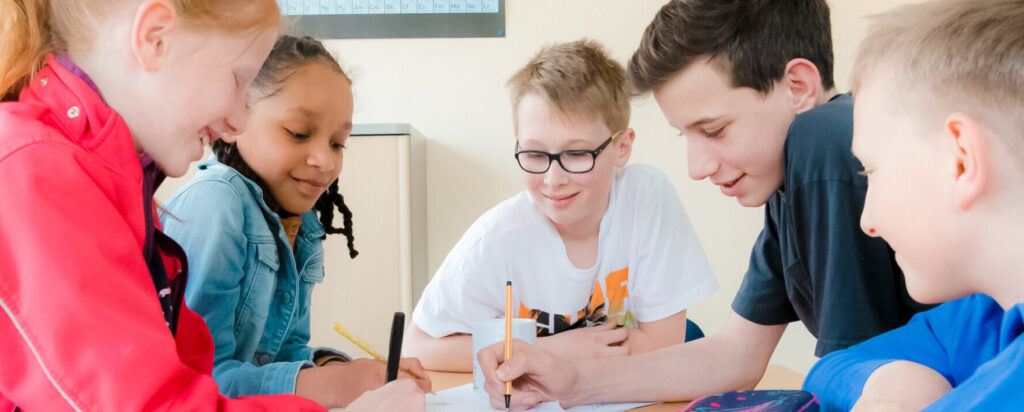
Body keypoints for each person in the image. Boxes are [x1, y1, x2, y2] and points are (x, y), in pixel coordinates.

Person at [478, 0, 930, 408]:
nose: (696, 168)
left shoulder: (821, 142)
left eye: (714, 131)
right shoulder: (788, 186)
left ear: (797, 86)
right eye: (686, 135)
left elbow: (853, 372)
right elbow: (735, 356)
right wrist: (573, 382)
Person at [0, 1, 422, 410]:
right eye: (238, 81)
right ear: (156, 38)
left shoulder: (122, 185)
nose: (237, 121)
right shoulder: (34, 172)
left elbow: (189, 378)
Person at [404, 39, 717, 372]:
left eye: (577, 154)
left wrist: (528, 354)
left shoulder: (647, 199)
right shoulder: (497, 237)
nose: (553, 179)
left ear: (622, 148)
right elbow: (419, 347)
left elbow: (663, 346)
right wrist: (547, 350)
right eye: (535, 154)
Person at [161, 35, 431, 408]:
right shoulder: (215, 205)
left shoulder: (300, 221)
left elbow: (280, 351)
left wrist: (339, 367)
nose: (326, 161)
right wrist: (336, 384)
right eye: (299, 133)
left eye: (338, 143)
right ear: (232, 121)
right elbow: (199, 380)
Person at [802, 0, 1024, 410]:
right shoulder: (983, 316)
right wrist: (891, 379)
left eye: (871, 170)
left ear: (961, 160)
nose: (867, 222)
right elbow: (831, 368)